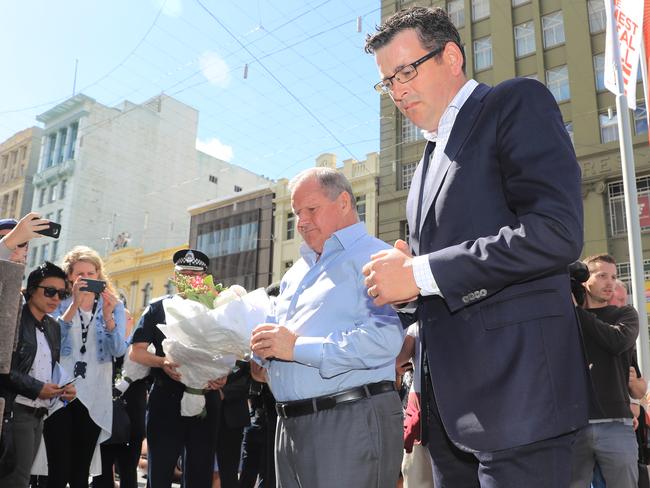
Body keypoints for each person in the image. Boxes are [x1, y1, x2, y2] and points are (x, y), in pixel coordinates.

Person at [362, 6, 589, 488]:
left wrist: (422, 272)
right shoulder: (424, 164)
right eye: (387, 82)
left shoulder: (513, 103)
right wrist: (408, 287)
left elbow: (556, 231)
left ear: (450, 56)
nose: (398, 90)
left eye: (406, 71)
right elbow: (444, 277)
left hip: (519, 397)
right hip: (448, 411)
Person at [250, 168, 404, 488]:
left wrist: (295, 348)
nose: (302, 221)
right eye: (296, 214)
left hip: (350, 421)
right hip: (288, 425)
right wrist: (264, 353)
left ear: (345, 202)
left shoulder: (376, 257)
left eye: (311, 209)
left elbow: (385, 339)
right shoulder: (296, 273)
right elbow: (284, 341)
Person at [130, 249, 226, 488]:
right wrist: (162, 362)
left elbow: (230, 352)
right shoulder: (159, 308)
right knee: (161, 471)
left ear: (205, 277)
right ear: (175, 276)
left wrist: (222, 376)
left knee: (200, 474)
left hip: (205, 398)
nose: (190, 279)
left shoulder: (218, 309)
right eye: (184, 274)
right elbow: (137, 351)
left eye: (195, 274)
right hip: (166, 398)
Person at [43, 246, 127, 488]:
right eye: (79, 274)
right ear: (69, 276)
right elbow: (52, 340)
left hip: (95, 392)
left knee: (81, 470)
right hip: (61, 389)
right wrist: (73, 305)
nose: (86, 278)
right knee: (57, 467)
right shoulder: (58, 301)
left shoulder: (114, 305)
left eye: (91, 273)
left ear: (99, 275)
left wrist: (110, 317)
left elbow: (119, 350)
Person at [0, 262, 77, 488]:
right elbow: (4, 368)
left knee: (19, 479)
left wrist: (62, 388)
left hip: (39, 413)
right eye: (50, 291)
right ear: (32, 289)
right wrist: (36, 388)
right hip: (15, 411)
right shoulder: (12, 317)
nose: (56, 298)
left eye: (62, 294)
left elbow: (48, 368)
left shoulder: (53, 326)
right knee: (16, 480)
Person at [571, 254, 640, 488]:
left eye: (613, 276)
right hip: (573, 426)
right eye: (601, 276)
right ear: (584, 281)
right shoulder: (565, 319)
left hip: (616, 424)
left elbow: (617, 341)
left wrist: (577, 313)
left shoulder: (626, 315)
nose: (610, 282)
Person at [92, 308, 148, 488]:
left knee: (128, 470)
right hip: (105, 417)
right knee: (102, 469)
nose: (119, 324)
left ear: (131, 321)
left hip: (132, 418)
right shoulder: (103, 347)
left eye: (124, 319)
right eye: (114, 319)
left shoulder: (141, 348)